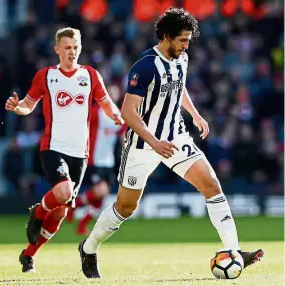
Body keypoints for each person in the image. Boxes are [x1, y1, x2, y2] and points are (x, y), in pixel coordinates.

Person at [77, 8, 264, 279]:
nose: (187, 45)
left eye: (188, 40)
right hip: (143, 143)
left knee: (211, 184)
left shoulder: (182, 58)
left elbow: (179, 86)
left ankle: (234, 251)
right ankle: (89, 248)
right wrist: (153, 142)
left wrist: (195, 114)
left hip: (176, 137)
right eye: (182, 40)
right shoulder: (144, 66)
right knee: (126, 207)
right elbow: (129, 112)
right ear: (166, 36)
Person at [5, 27, 124, 273]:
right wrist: (17, 108)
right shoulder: (46, 76)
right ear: (57, 49)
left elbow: (106, 102)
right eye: (67, 48)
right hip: (53, 146)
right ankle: (38, 211)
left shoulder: (90, 75)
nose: (72, 52)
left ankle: (28, 255)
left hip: (80, 152)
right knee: (63, 191)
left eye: (76, 48)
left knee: (60, 211)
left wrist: (115, 115)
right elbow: (28, 105)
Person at [66, 101, 126, 235]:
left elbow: (123, 135)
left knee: (101, 198)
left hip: (109, 161)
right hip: (94, 158)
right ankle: (74, 208)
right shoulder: (95, 111)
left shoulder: (119, 114)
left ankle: (80, 222)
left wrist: (126, 153)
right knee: (101, 191)